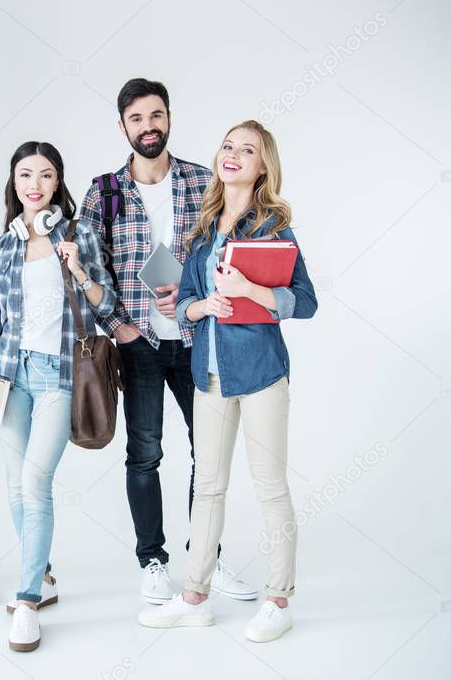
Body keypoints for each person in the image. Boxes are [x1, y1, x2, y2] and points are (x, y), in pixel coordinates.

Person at [137, 119, 317, 643]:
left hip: (260, 375)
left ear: (263, 166)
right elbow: (188, 307)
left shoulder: (273, 228)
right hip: (209, 376)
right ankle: (195, 596)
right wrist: (201, 305)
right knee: (208, 488)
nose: (232, 154)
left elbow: (305, 302)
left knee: (269, 489)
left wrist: (250, 290)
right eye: (227, 145)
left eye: (247, 150)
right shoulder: (202, 226)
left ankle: (279, 599)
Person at [78, 78, 255, 603]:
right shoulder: (103, 192)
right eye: (137, 119)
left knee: (210, 453)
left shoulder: (205, 182)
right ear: (123, 127)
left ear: (169, 119)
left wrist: (190, 290)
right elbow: (88, 269)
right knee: (144, 454)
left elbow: (228, 254)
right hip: (140, 345)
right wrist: (120, 328)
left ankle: (206, 559)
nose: (148, 126)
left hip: (200, 339)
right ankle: (152, 561)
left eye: (156, 116)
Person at [0, 141, 115, 652]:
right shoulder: (2, 247)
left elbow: (106, 303)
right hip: (10, 376)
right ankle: (44, 568)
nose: (34, 184)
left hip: (59, 375)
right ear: (14, 183)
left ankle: (28, 598)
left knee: (35, 483)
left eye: (46, 175)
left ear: (57, 184)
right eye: (25, 175)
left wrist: (77, 269)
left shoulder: (80, 235)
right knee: (15, 487)